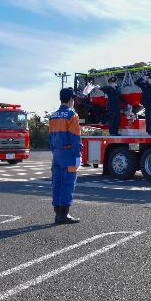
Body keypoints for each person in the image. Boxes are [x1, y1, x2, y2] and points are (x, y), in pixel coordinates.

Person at [48, 88, 83, 224]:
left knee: (57, 183)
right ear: (70, 100)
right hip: (68, 153)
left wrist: (55, 152)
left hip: (56, 153)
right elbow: (75, 137)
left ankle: (58, 215)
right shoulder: (71, 115)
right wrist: (77, 155)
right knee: (67, 184)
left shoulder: (53, 116)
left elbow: (51, 138)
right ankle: (64, 215)